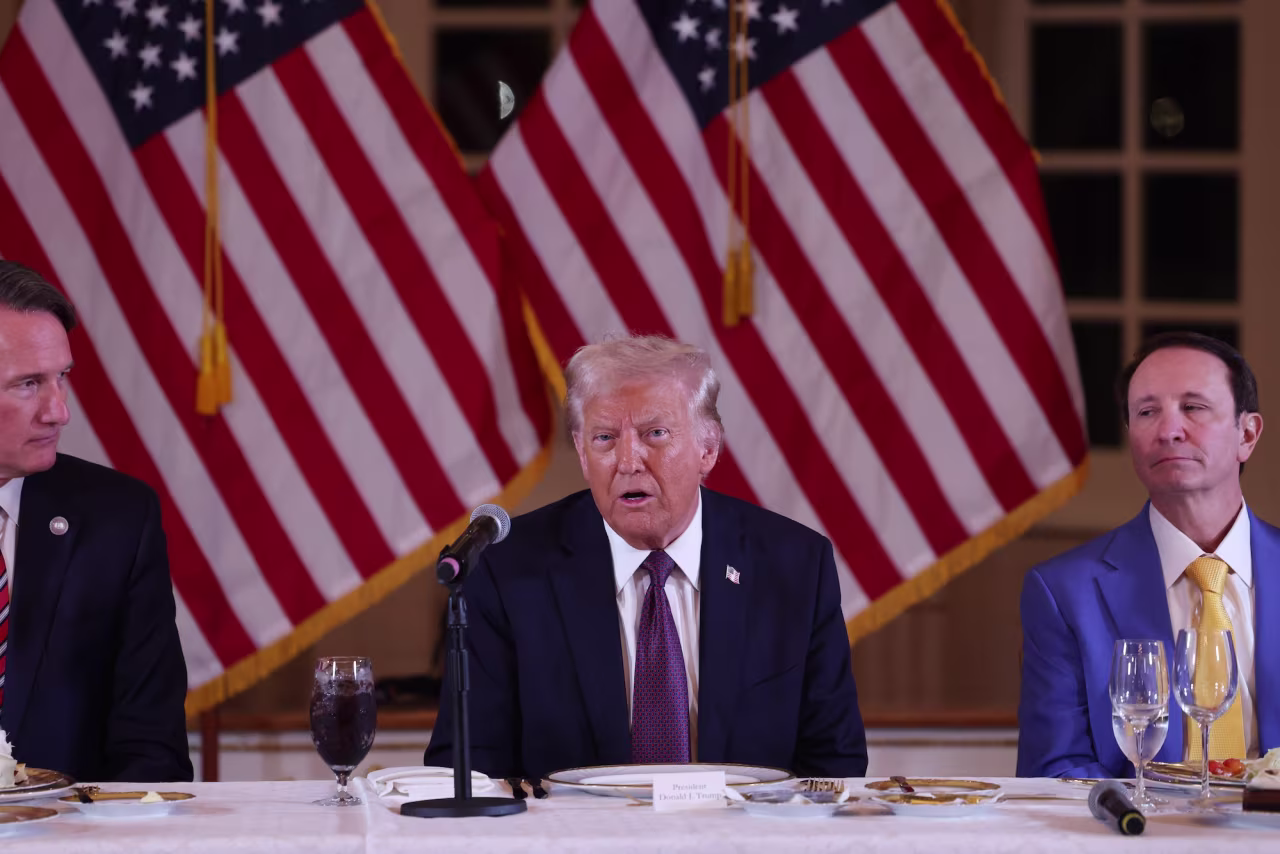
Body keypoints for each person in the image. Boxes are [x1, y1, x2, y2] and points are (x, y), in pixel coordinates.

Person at [425, 334, 867, 779]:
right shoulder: (508, 570)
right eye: (604, 438)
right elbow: (466, 767)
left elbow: (834, 764)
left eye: (655, 434)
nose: (628, 461)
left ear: (708, 449)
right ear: (582, 453)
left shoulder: (794, 566)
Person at [1018, 331, 1279, 778]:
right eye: (1146, 412)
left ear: (1248, 434)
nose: (1168, 430)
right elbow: (1055, 773)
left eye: (1193, 407)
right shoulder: (1064, 592)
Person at [0, 261, 192, 783]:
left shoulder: (120, 518)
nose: (58, 411)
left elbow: (152, 747)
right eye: (28, 384)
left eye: (61, 377)